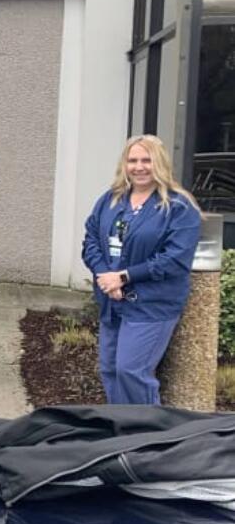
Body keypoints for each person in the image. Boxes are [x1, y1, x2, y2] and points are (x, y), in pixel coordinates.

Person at [82, 135, 201, 406]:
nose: (139, 167)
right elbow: (90, 240)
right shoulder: (110, 200)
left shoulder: (179, 207)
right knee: (110, 370)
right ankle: (121, 433)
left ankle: (148, 438)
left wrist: (124, 277)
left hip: (151, 304)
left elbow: (174, 259)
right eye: (132, 160)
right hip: (111, 300)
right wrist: (105, 276)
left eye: (147, 160)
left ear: (160, 163)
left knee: (131, 372)